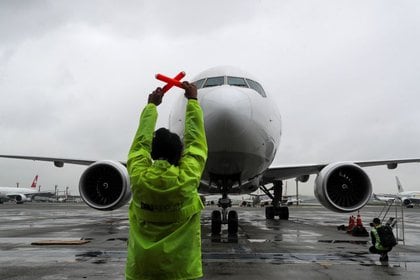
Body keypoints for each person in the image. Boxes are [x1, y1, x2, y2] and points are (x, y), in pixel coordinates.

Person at [125, 82, 208, 280]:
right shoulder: (187, 178)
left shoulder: (138, 176)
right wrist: (193, 102)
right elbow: (197, 143)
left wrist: (151, 106)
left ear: (151, 153)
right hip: (183, 271)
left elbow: (139, 146)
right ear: (181, 154)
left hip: (141, 271)